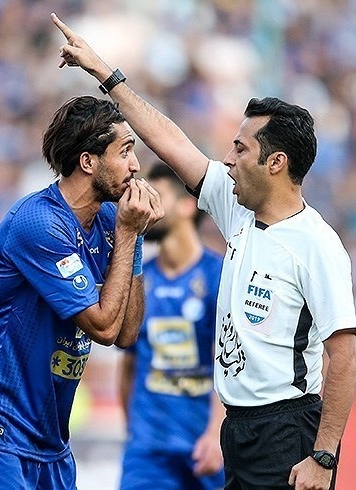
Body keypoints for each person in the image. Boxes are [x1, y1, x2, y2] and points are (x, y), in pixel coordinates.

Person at [52, 13, 356, 490]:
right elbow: (171, 142)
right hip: (238, 429)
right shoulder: (238, 211)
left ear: (276, 163)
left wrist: (323, 455)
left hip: (286, 430)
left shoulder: (316, 244)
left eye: (241, 149)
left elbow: (344, 354)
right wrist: (104, 73)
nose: (228, 159)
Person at [0, 95, 164, 490]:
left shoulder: (110, 219)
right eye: (125, 151)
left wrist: (135, 237)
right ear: (88, 161)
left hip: (49, 438)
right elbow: (104, 328)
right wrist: (129, 233)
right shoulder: (39, 223)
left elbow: (127, 335)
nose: (135, 166)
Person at [118, 162, 225, 490]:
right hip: (148, 454)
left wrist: (216, 433)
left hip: (204, 447)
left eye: (158, 197)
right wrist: (136, 432)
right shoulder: (138, 280)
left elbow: (232, 365)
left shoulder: (219, 276)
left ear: (186, 206)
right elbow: (128, 366)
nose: (146, 207)